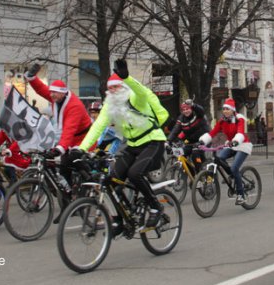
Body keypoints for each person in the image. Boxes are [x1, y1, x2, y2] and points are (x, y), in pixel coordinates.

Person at [70, 59, 169, 232]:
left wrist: (127, 77)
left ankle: (155, 206)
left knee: (134, 173)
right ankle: (119, 219)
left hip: (153, 141)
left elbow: (142, 93)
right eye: (110, 88)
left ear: (123, 87)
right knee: (112, 181)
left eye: (116, 87)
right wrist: (82, 148)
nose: (113, 91)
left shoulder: (135, 99)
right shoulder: (111, 106)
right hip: (133, 145)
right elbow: (98, 126)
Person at [24, 63, 92, 194]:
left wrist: (59, 149)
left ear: (62, 93)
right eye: (51, 92)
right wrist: (32, 77)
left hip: (83, 139)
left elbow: (69, 130)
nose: (52, 95)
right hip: (69, 139)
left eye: (55, 93)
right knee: (63, 167)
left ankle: (87, 182)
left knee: (70, 161)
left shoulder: (74, 106)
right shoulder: (57, 97)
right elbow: (41, 89)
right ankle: (68, 193)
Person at [199, 98, 253, 205]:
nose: (225, 111)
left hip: (242, 145)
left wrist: (236, 141)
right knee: (219, 158)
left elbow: (240, 132)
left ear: (233, 110)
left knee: (234, 168)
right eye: (224, 109)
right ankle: (233, 176)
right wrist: (202, 141)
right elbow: (213, 132)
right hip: (231, 144)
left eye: (227, 109)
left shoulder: (239, 119)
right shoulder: (222, 121)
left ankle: (241, 195)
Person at [167, 99, 210, 172]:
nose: (185, 111)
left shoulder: (198, 114)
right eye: (183, 110)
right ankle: (192, 176)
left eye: (187, 109)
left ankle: (200, 173)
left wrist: (193, 105)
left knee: (195, 153)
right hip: (191, 140)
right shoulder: (181, 118)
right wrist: (168, 141)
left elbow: (201, 110)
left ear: (191, 109)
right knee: (181, 154)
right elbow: (175, 129)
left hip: (204, 138)